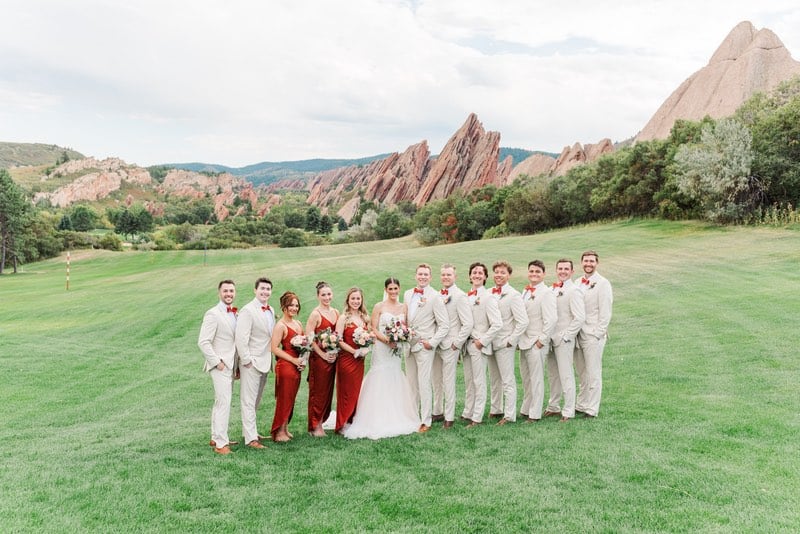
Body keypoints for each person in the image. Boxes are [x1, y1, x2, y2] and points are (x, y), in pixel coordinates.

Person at [343, 277, 420, 439]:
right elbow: (373, 328)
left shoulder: (403, 307)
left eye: (395, 288)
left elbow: (404, 327)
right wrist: (387, 340)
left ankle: (397, 414)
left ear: (399, 289)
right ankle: (374, 416)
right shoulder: (379, 306)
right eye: (390, 289)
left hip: (396, 350)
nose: (393, 292)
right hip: (382, 348)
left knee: (395, 375)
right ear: (386, 290)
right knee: (379, 375)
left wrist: (401, 338)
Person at [403, 264, 449, 432]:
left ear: (430, 277)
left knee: (424, 383)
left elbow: (444, 325)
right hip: (408, 346)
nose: (422, 277)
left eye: (426, 275)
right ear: (416, 276)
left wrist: (432, 342)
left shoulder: (435, 296)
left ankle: (426, 420)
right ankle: (413, 417)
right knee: (411, 383)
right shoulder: (408, 294)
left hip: (424, 346)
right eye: (420, 274)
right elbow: (406, 319)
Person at [198, 279, 239, 455]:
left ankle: (216, 436)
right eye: (225, 291)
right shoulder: (213, 314)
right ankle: (221, 444)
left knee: (220, 401)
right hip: (220, 365)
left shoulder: (234, 313)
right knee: (224, 402)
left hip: (231, 364)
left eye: (231, 291)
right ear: (219, 293)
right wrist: (218, 362)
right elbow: (203, 342)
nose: (229, 294)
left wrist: (235, 365)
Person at [235, 277, 275, 449]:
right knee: (248, 400)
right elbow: (241, 338)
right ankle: (251, 439)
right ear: (255, 290)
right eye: (262, 289)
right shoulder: (247, 311)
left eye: (268, 289)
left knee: (256, 400)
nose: (265, 292)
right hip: (251, 362)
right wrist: (247, 361)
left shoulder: (271, 310)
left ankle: (249, 431)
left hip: (266, 361)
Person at [431, 263, 473, 428]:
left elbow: (467, 324)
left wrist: (457, 343)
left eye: (449, 275)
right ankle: (437, 411)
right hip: (436, 344)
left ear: (455, 277)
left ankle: (449, 417)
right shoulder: (436, 295)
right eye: (443, 275)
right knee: (436, 380)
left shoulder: (460, 296)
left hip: (450, 345)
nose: (445, 277)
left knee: (449, 381)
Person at [461, 262, 502, 428]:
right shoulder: (466, 296)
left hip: (479, 345)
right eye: (474, 272)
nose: (477, 275)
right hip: (466, 344)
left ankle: (477, 417)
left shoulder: (488, 297)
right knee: (469, 380)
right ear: (470, 276)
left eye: (480, 273)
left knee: (479, 381)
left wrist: (482, 342)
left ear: (485, 277)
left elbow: (497, 324)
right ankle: (468, 411)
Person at [488, 260, 529, 425]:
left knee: (507, 380)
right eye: (496, 271)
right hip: (490, 342)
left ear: (509, 275)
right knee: (494, 379)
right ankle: (496, 408)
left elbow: (523, 321)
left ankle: (509, 414)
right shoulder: (488, 292)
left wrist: (511, 340)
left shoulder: (513, 295)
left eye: (502, 272)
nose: (499, 275)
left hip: (504, 343)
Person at [574, 250, 613, 418]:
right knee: (582, 372)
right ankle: (581, 404)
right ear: (581, 263)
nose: (588, 264)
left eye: (592, 261)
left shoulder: (603, 283)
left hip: (593, 334)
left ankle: (592, 408)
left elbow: (606, 311)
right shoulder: (577, 282)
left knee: (593, 372)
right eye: (586, 261)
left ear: (597, 263)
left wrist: (598, 333)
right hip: (577, 334)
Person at [544, 259, 585, 422]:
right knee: (553, 374)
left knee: (566, 374)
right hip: (550, 338)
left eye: (566, 269)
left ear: (572, 271)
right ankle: (553, 406)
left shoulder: (574, 290)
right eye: (560, 268)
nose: (562, 271)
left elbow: (580, 317)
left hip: (563, 339)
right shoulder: (552, 289)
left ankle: (568, 411)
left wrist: (567, 336)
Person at [518, 260, 557, 423]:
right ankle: (526, 408)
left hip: (536, 342)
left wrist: (542, 340)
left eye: (537, 272)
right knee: (526, 378)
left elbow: (551, 319)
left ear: (544, 274)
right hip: (524, 341)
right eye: (531, 271)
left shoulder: (547, 293)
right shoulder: (525, 291)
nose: (534, 274)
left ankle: (535, 414)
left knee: (536, 378)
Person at [269, 291, 307, 442]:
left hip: (296, 365)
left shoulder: (298, 324)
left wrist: (302, 361)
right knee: (284, 398)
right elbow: (274, 348)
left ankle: (285, 428)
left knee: (291, 398)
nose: (294, 308)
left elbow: (304, 345)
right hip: (285, 366)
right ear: (284, 306)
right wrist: (293, 359)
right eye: (291, 305)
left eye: (296, 305)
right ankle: (278, 432)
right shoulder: (281, 326)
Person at [305, 281, 339, 437]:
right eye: (323, 294)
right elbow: (310, 339)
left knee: (328, 391)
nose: (327, 297)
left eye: (329, 294)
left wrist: (334, 352)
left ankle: (323, 420)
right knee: (318, 392)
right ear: (318, 296)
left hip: (332, 358)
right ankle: (315, 425)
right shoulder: (315, 314)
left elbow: (338, 336)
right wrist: (323, 354)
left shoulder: (336, 312)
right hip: (319, 359)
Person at [334, 287, 369, 433]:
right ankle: (342, 423)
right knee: (346, 391)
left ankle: (352, 419)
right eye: (353, 298)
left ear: (361, 300)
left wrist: (365, 349)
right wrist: (354, 351)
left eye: (358, 298)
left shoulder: (364, 318)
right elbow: (338, 340)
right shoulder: (343, 318)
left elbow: (369, 337)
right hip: (347, 359)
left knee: (356, 390)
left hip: (359, 361)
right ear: (348, 300)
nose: (355, 301)